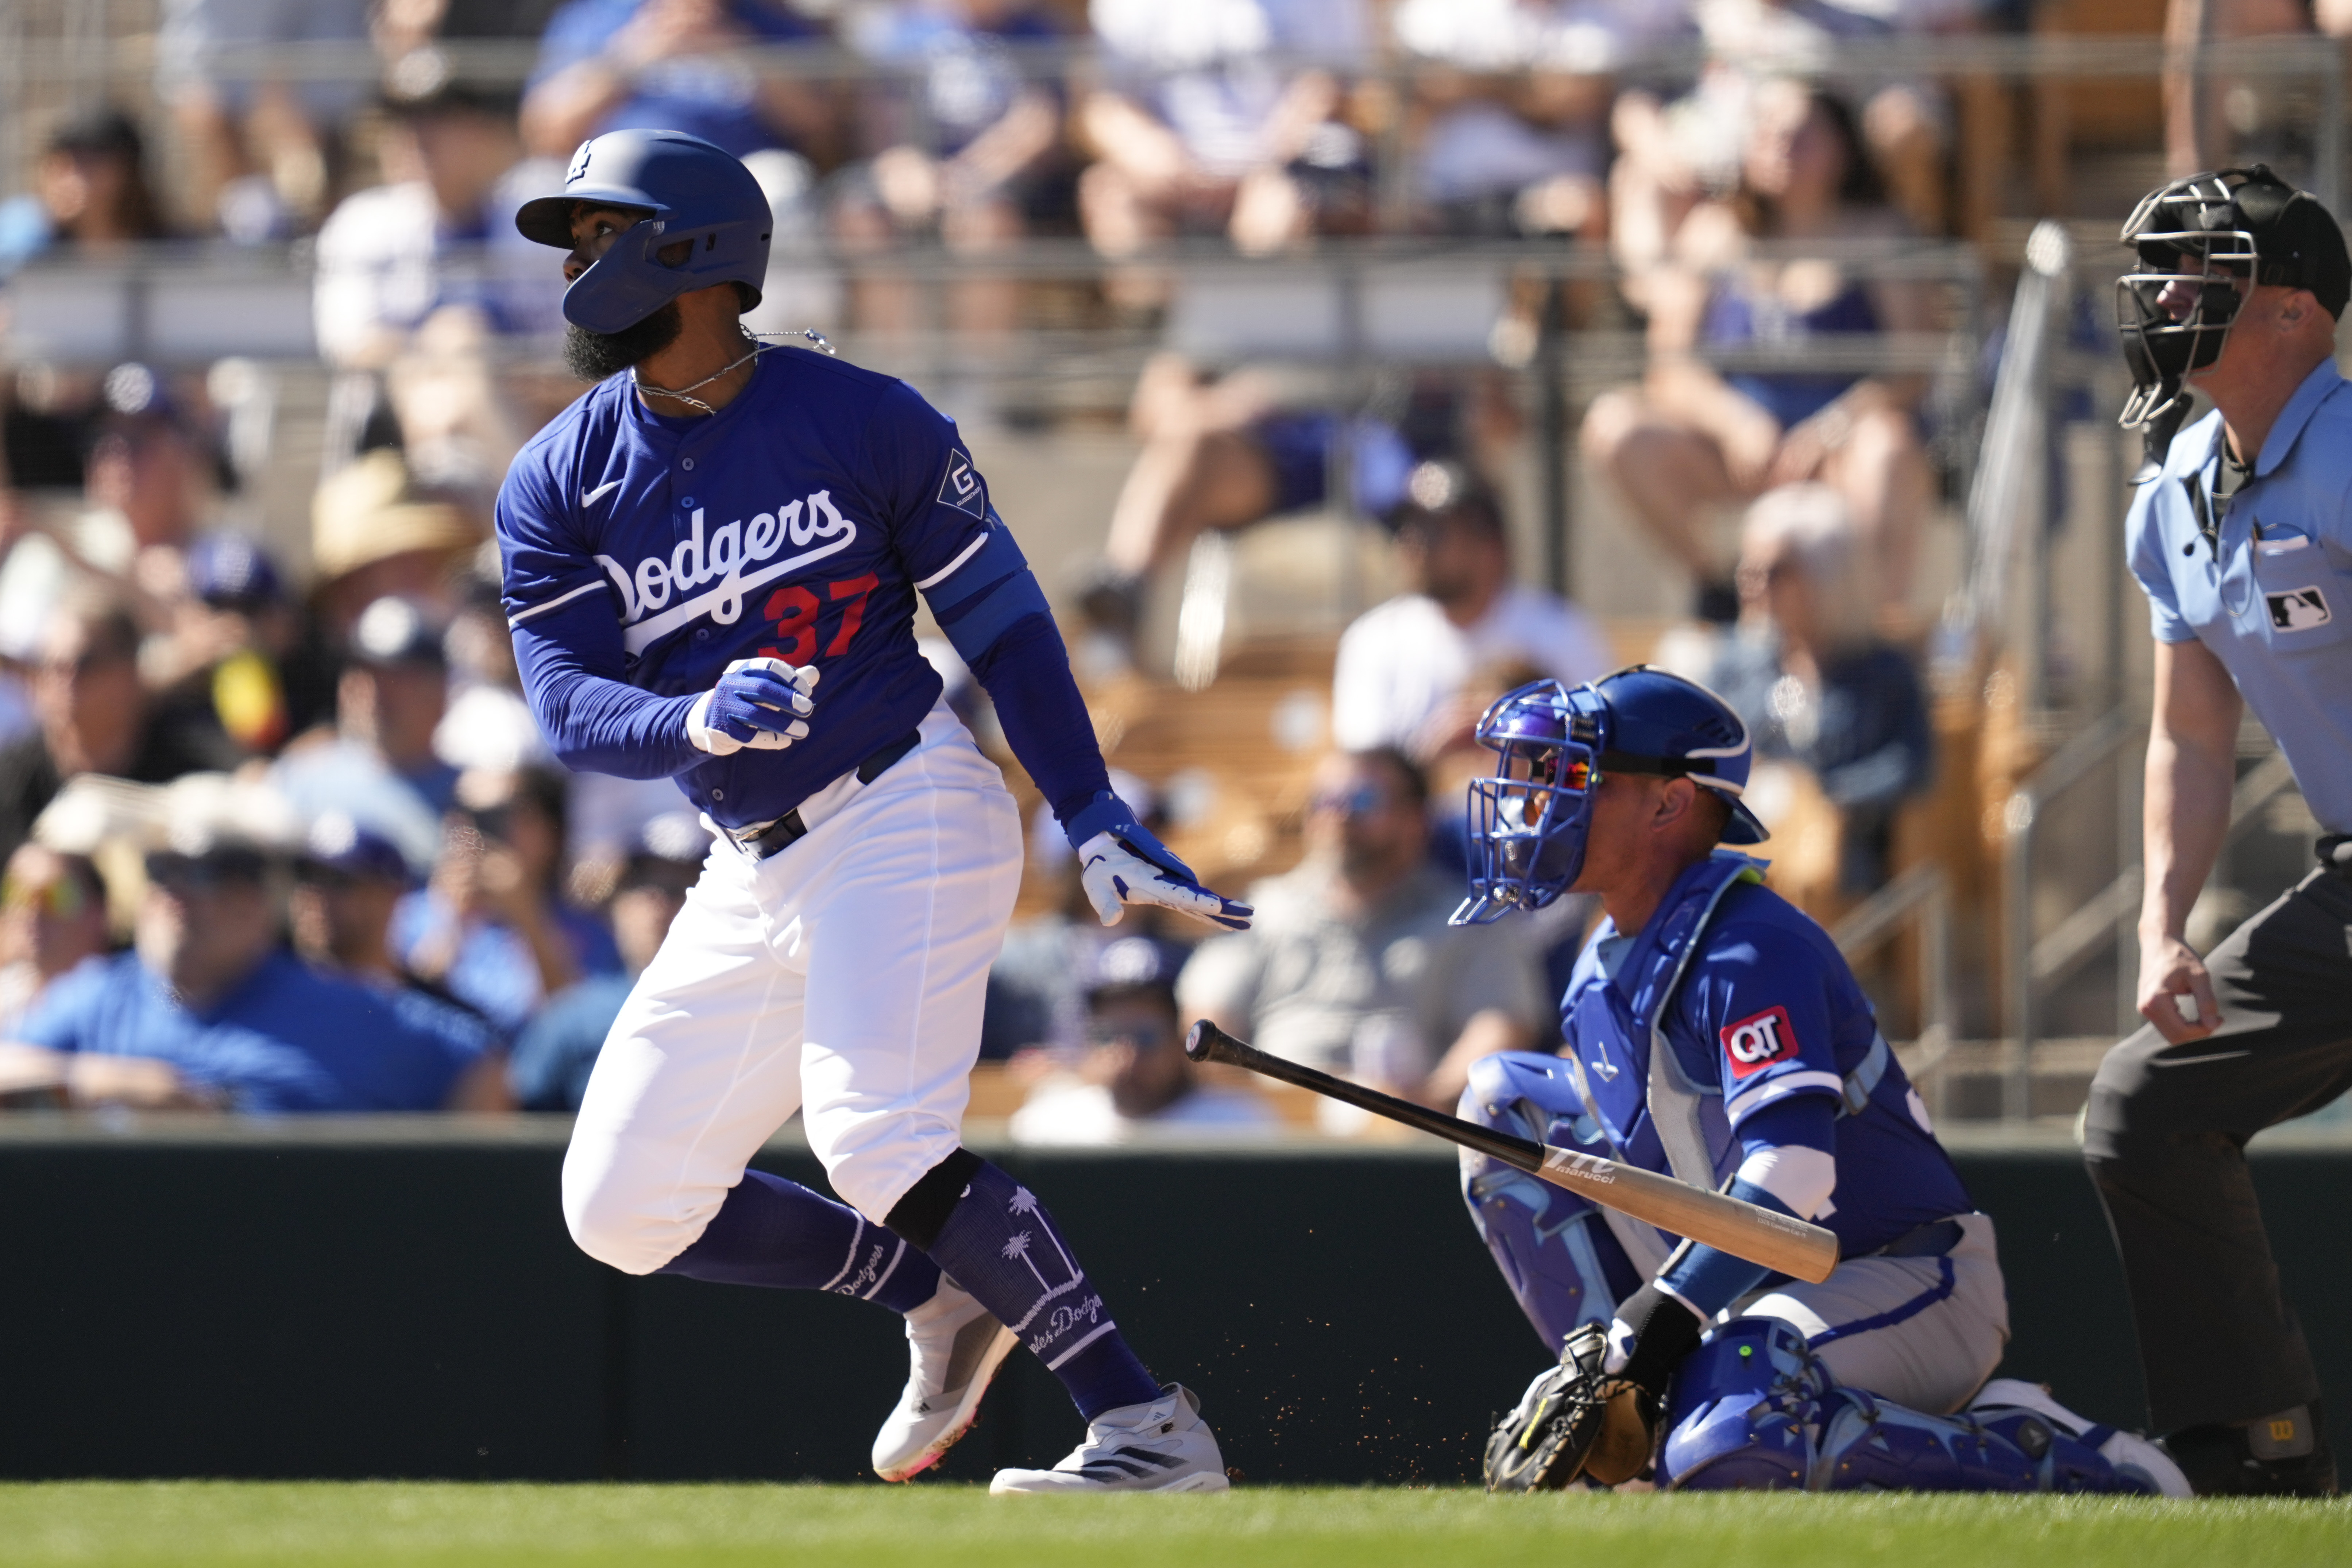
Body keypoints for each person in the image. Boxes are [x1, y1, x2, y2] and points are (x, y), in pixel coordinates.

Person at [498, 128, 1253, 1491]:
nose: (574, 262)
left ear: (694, 251)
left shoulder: (864, 415)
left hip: (905, 800)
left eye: (601, 233)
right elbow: (563, 704)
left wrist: (1087, 807)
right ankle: (938, 1289)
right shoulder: (557, 476)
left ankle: (1146, 1424)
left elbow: (1006, 624)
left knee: (877, 1136)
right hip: (747, 860)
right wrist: (686, 719)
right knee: (616, 1204)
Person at [1441, 670, 2182, 1496]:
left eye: (1575, 776)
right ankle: (1621, 1425)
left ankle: (2063, 1460)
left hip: (1899, 1274)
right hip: (1744, 1287)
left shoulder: (1748, 945)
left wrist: (1658, 1325)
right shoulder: (1599, 963)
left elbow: (1794, 1173)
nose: (1539, 800)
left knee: (1734, 1438)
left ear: (1668, 804)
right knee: (1501, 1108)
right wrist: (1624, 1353)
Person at [2083, 165, 2352, 1497]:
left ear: (2295, 309)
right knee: (2142, 1105)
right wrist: (2157, 925)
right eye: (2162, 272)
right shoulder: (2173, 487)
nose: (2166, 298)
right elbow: (2190, 736)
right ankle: (2257, 1443)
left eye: (2205, 274)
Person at [1582, 79, 1934, 622]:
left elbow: (1912, 369)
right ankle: (1719, 587)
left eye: (1800, 135)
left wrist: (1829, 429)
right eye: (1767, 132)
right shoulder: (1715, 232)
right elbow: (1669, 366)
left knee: (1886, 448)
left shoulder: (1878, 234)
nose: (1780, 146)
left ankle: (1868, 624)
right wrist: (1734, 422)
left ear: (1841, 148)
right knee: (1614, 426)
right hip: (1738, 452)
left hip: (1838, 452)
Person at [0, 781, 497, 1112]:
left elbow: (482, 1066)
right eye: (161, 870)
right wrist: (122, 1086)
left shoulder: (338, 1005)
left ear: (260, 899)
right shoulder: (104, 996)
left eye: (205, 871)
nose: (175, 892)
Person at [1179, 747, 1546, 1112]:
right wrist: (1257, 1108)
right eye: (1325, 800)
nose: (1340, 814)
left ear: (1415, 819)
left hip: (1408, 1138)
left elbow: (1500, 1026)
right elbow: (1205, 1026)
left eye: (1362, 800)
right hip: (1271, 1132)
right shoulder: (1261, 911)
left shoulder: (1473, 919)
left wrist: (1428, 1106)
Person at [1084, 352, 1414, 644]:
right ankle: (1123, 592)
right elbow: (1152, 408)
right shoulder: (1227, 294)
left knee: (1425, 495)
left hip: (1392, 438)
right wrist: (1221, 406)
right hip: (1279, 453)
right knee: (1187, 442)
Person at [1703, 484, 1931, 894]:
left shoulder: (1883, 671)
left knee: (1813, 862)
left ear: (1828, 573)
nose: (1753, 584)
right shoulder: (1734, 664)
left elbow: (1911, 764)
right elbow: (1694, 750)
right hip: (1734, 847)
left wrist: (1824, 797)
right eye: (1746, 569)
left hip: (1838, 861)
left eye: (1774, 572)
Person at [1332, 462, 1612, 758]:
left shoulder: (1561, 633)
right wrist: (1429, 759)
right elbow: (1364, 772)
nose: (1412, 542)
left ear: (1490, 545)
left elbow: (1600, 747)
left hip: (1532, 804)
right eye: (1405, 528)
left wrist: (1528, 733)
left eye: (1433, 530)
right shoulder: (1374, 639)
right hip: (1420, 805)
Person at [0, 592, 240, 863]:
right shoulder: (12, 778)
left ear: (129, 672)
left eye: (82, 663)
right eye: (50, 665)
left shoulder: (192, 756)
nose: (62, 679)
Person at [394, 764, 622, 1037]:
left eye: (500, 815)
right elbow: (402, 1017)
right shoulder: (410, 915)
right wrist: (452, 925)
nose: (480, 831)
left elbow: (580, 1030)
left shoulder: (589, 929)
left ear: (552, 831)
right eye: (468, 815)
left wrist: (528, 920)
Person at [509, 811, 708, 1111]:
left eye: (679, 888)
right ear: (613, 908)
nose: (659, 903)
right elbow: (515, 1122)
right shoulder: (574, 1015)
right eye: (640, 886)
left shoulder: (754, 1003)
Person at [1011, 935, 1278, 1144]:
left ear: (1181, 1037)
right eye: (1107, 1037)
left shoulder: (1240, 1129)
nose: (1127, 1055)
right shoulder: (1045, 1129)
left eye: (1146, 1036)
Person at [520, 0, 834, 164]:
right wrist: (639, 53)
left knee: (782, 182)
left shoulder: (769, 21)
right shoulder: (595, 17)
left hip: (739, 181)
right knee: (534, 186)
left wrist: (732, 47)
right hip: (620, 175)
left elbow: (823, 132)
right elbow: (545, 132)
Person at [0, 107, 173, 278]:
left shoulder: (172, 252)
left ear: (128, 174)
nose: (70, 180)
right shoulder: (31, 238)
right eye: (61, 165)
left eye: (88, 164)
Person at [0, 841, 113, 1036]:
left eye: (56, 896)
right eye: (18, 894)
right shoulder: (7, 997)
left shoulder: (123, 1005)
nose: (33, 911)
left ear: (98, 914)